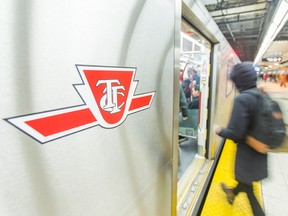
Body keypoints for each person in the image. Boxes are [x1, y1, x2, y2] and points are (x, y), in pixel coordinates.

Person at [214, 62, 269, 216]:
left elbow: (236, 133)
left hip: (247, 153)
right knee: (246, 183)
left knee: (249, 189)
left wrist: (219, 131)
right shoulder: (260, 94)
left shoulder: (242, 99)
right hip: (260, 150)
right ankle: (231, 193)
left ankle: (233, 194)